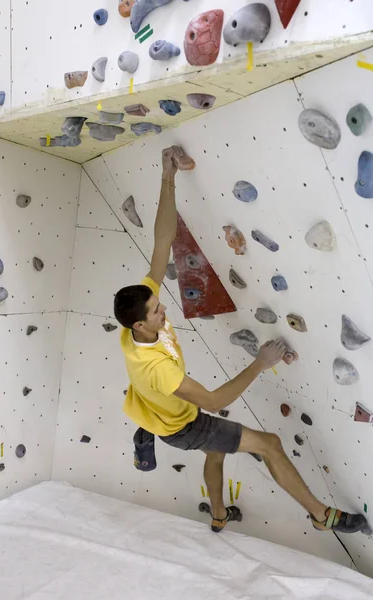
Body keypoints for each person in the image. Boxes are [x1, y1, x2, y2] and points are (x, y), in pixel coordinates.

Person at [114, 146, 367, 535]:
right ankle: (322, 515)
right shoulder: (158, 369)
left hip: (159, 412)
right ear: (139, 327)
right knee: (269, 444)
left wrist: (167, 177)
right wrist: (261, 362)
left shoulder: (135, 322)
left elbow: (161, 244)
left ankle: (217, 515)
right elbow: (215, 401)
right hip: (182, 426)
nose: (163, 310)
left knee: (216, 453)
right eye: (156, 313)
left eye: (158, 305)